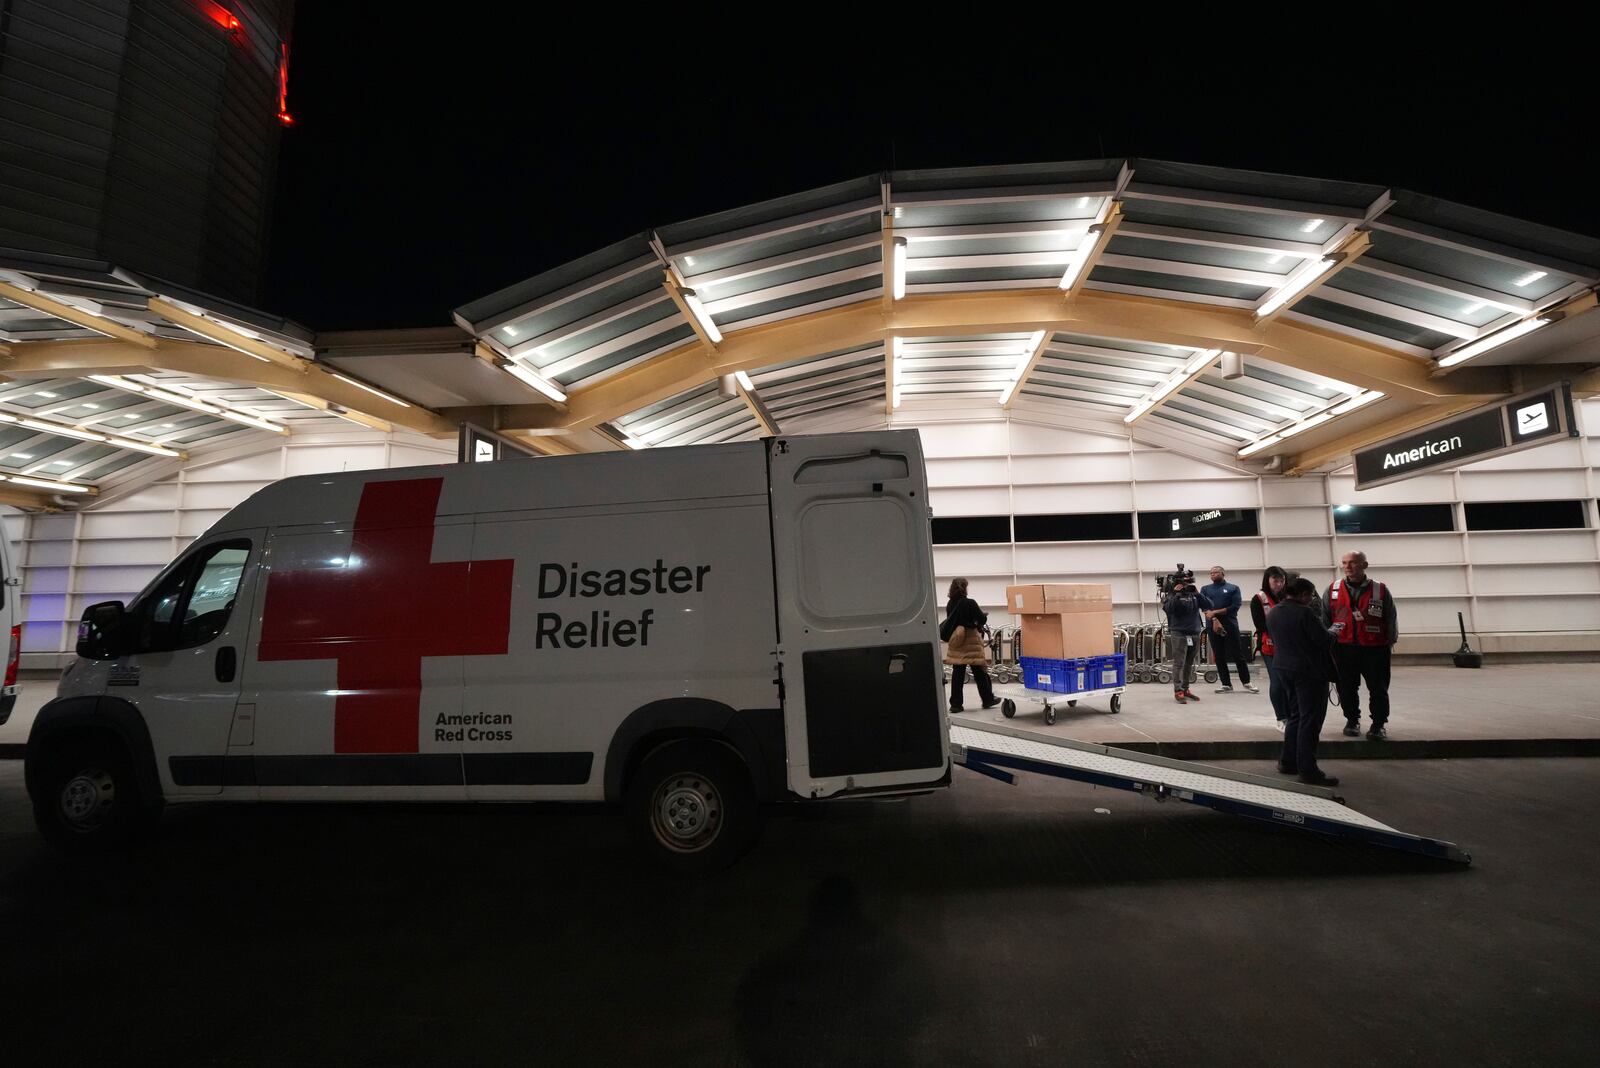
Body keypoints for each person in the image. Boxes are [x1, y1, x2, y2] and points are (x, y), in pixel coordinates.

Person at [1265, 577, 1340, 787]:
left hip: (1283, 667)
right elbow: (1323, 641)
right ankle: (1308, 770)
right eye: (1310, 595)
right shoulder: (1305, 613)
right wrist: (1333, 632)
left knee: (1295, 716)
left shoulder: (1274, 611)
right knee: (1310, 719)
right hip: (1308, 671)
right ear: (1304, 594)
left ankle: (1288, 761)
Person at [1323, 550, 1397, 740]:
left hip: (1375, 648)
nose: (1348, 566)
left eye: (1353, 562)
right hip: (1343, 648)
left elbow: (1391, 617)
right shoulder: (1332, 589)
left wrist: (1390, 642)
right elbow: (1325, 619)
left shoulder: (1380, 590)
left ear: (1364, 565)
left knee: (1378, 688)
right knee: (1346, 687)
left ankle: (1378, 725)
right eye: (1345, 562)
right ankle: (1352, 720)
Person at [943, 578, 999, 713]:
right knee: (979, 671)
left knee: (958, 674)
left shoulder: (950, 603)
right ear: (964, 588)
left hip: (957, 641)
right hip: (971, 641)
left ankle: (956, 705)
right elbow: (982, 619)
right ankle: (987, 699)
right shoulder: (970, 603)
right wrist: (981, 616)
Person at [1201, 565, 1258, 695]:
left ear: (1222, 573)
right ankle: (1226, 684)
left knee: (1238, 654)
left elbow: (1235, 606)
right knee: (1219, 656)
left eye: (1215, 572)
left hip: (1230, 625)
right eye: (1211, 573)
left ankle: (1247, 682)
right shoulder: (1205, 589)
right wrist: (1214, 619)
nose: (1213, 575)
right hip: (1213, 626)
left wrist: (1214, 612)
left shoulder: (1233, 588)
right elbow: (1204, 607)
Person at [1250, 566, 1291, 731]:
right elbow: (1259, 624)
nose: (1279, 584)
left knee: (1290, 682)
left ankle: (1292, 715)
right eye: (1275, 580)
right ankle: (1281, 717)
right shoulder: (1258, 599)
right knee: (1277, 681)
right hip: (1270, 647)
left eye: (1282, 580)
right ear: (1268, 580)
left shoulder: (1289, 596)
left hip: (1291, 647)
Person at [1161, 572, 1211, 703]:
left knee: (1189, 663)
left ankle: (1185, 688)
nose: (1186, 586)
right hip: (1179, 632)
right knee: (1179, 663)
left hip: (1194, 632)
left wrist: (1198, 593)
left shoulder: (1194, 595)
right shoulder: (1170, 596)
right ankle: (1178, 690)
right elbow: (1169, 609)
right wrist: (1176, 595)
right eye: (1184, 583)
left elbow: (1209, 605)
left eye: (1188, 583)